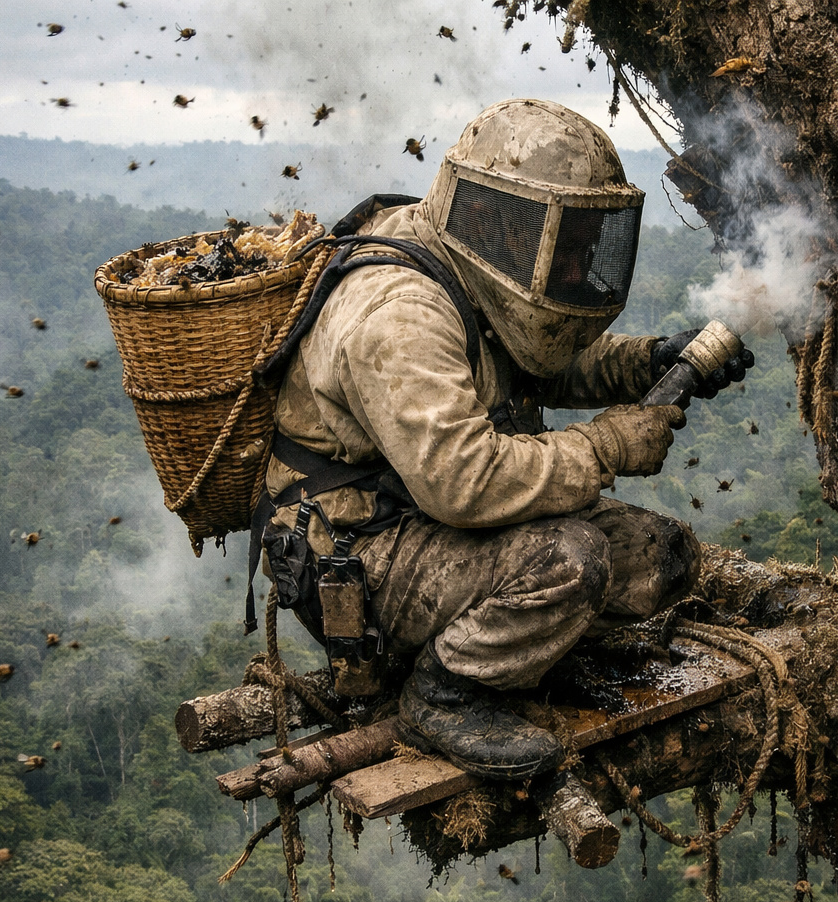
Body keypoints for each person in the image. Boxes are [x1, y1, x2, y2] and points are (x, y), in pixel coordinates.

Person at [263, 98, 752, 780]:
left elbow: (536, 359)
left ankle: (516, 656)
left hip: (431, 523)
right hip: (360, 551)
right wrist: (607, 446)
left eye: (590, 237)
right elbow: (464, 481)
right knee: (571, 561)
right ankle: (442, 692)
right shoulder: (399, 314)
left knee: (657, 556)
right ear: (502, 215)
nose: (580, 260)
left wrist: (649, 360)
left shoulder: (472, 265)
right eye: (570, 238)